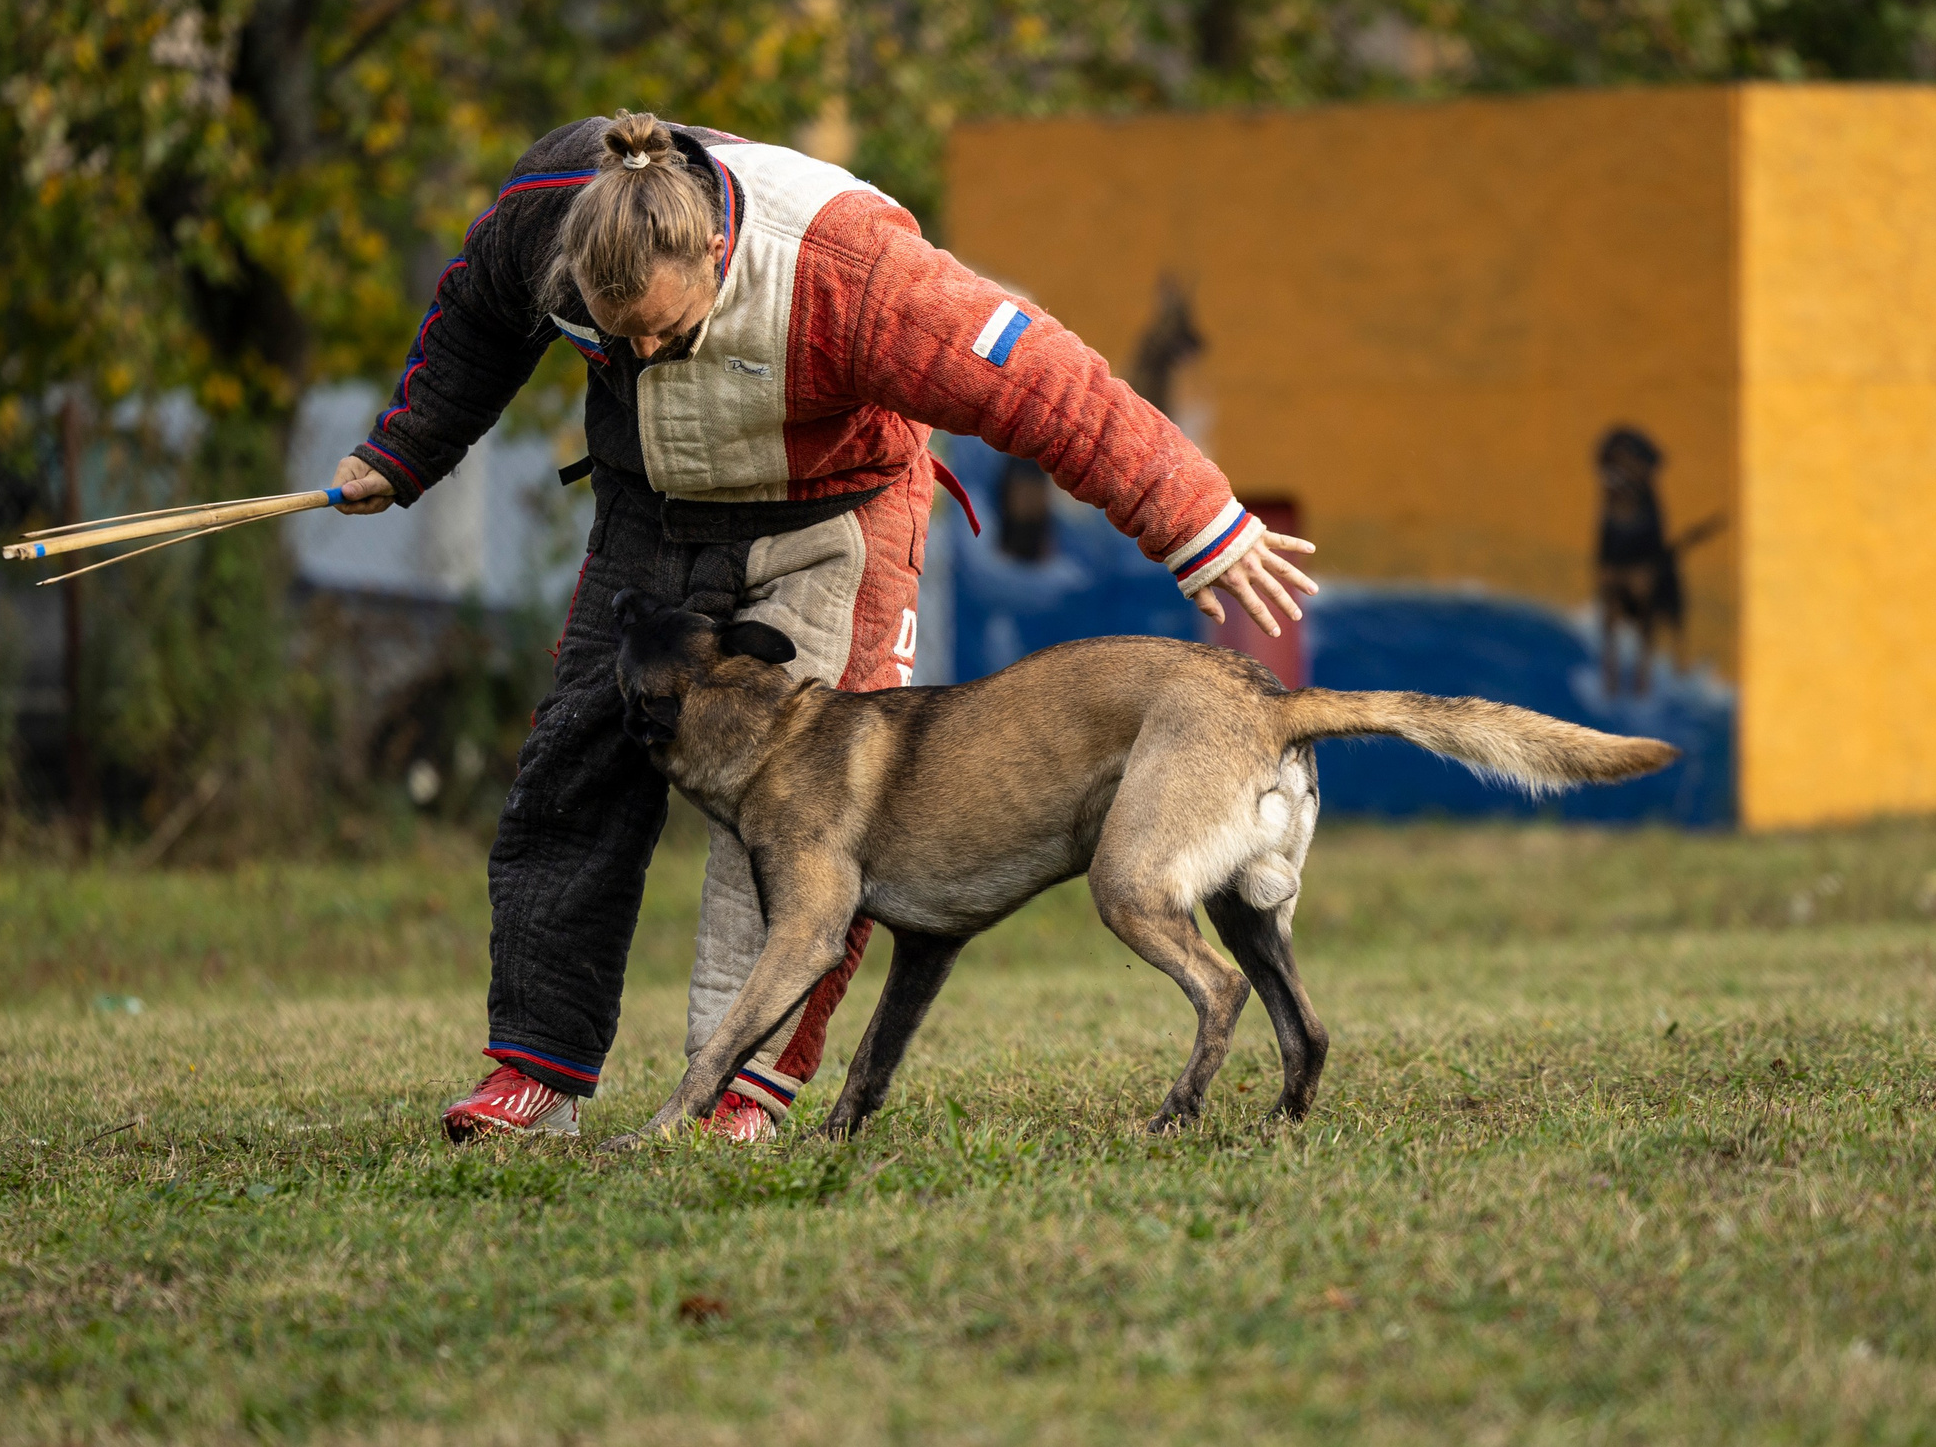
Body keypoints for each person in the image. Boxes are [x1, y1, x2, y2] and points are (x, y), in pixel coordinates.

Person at [330, 111, 1318, 1142]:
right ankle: (534, 1075)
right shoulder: (542, 219)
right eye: (618, 336)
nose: (646, 353)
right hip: (652, 509)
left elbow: (1045, 380)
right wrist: (404, 452)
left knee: (805, 812)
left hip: (835, 516)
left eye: (668, 329)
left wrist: (1194, 520)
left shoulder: (851, 272)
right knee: (572, 768)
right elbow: (475, 323)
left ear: (717, 250)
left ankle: (739, 1097)